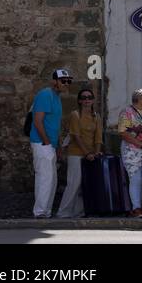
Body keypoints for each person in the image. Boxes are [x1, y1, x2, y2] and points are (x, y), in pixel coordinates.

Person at [30, 68, 71, 218]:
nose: (66, 84)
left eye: (68, 81)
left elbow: (53, 125)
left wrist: (57, 145)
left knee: (51, 179)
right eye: (63, 81)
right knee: (45, 178)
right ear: (54, 81)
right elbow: (38, 121)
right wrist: (47, 142)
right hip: (42, 144)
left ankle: (45, 212)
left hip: (50, 145)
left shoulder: (56, 96)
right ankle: (40, 212)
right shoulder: (45, 95)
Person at [56, 87, 103, 218]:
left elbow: (98, 137)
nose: (87, 100)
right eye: (84, 98)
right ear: (80, 101)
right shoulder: (75, 115)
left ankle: (78, 211)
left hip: (91, 154)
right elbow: (76, 136)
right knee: (74, 183)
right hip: (76, 153)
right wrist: (87, 153)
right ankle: (63, 212)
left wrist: (97, 152)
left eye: (89, 97)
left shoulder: (97, 116)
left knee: (85, 184)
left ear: (93, 100)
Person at [117, 88, 142, 218]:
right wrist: (139, 143)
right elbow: (123, 132)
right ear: (140, 99)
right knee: (136, 178)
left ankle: (138, 206)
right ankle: (136, 208)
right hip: (131, 150)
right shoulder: (127, 112)